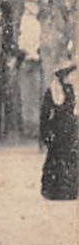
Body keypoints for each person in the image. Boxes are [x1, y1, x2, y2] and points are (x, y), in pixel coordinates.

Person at [39, 61, 77, 201]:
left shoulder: (70, 89)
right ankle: (55, 190)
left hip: (69, 128)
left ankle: (69, 189)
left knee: (69, 157)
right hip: (58, 129)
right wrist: (45, 132)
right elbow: (45, 113)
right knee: (57, 157)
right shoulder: (53, 91)